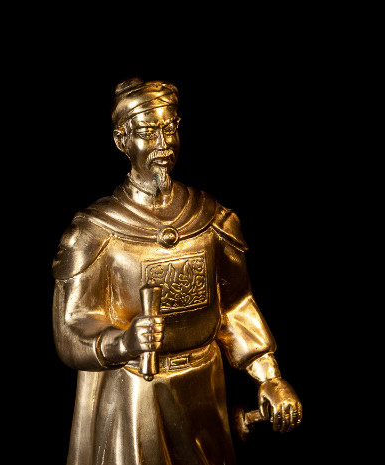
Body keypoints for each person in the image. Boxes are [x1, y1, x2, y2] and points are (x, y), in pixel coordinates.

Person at [52, 77, 302, 465]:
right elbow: (72, 327)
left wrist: (269, 376)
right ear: (122, 140)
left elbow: (236, 307)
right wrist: (122, 343)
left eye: (169, 129)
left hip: (205, 390)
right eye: (147, 132)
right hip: (136, 396)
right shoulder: (94, 233)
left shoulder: (212, 220)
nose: (163, 144)